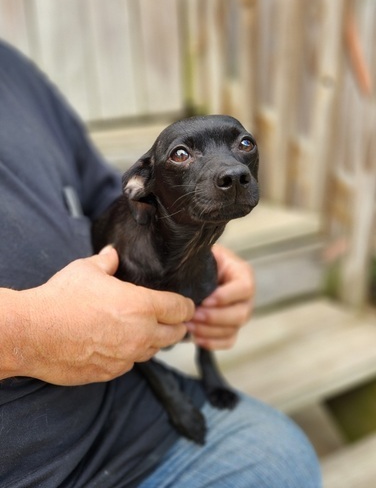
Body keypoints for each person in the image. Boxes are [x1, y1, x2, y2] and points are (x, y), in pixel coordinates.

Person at [0, 40, 322, 487]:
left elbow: (101, 189)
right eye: (183, 154)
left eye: (242, 145)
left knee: (287, 460)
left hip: (117, 407)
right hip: (24, 458)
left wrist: (204, 248)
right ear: (145, 184)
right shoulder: (136, 239)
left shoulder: (12, 67)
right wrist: (24, 332)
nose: (232, 169)